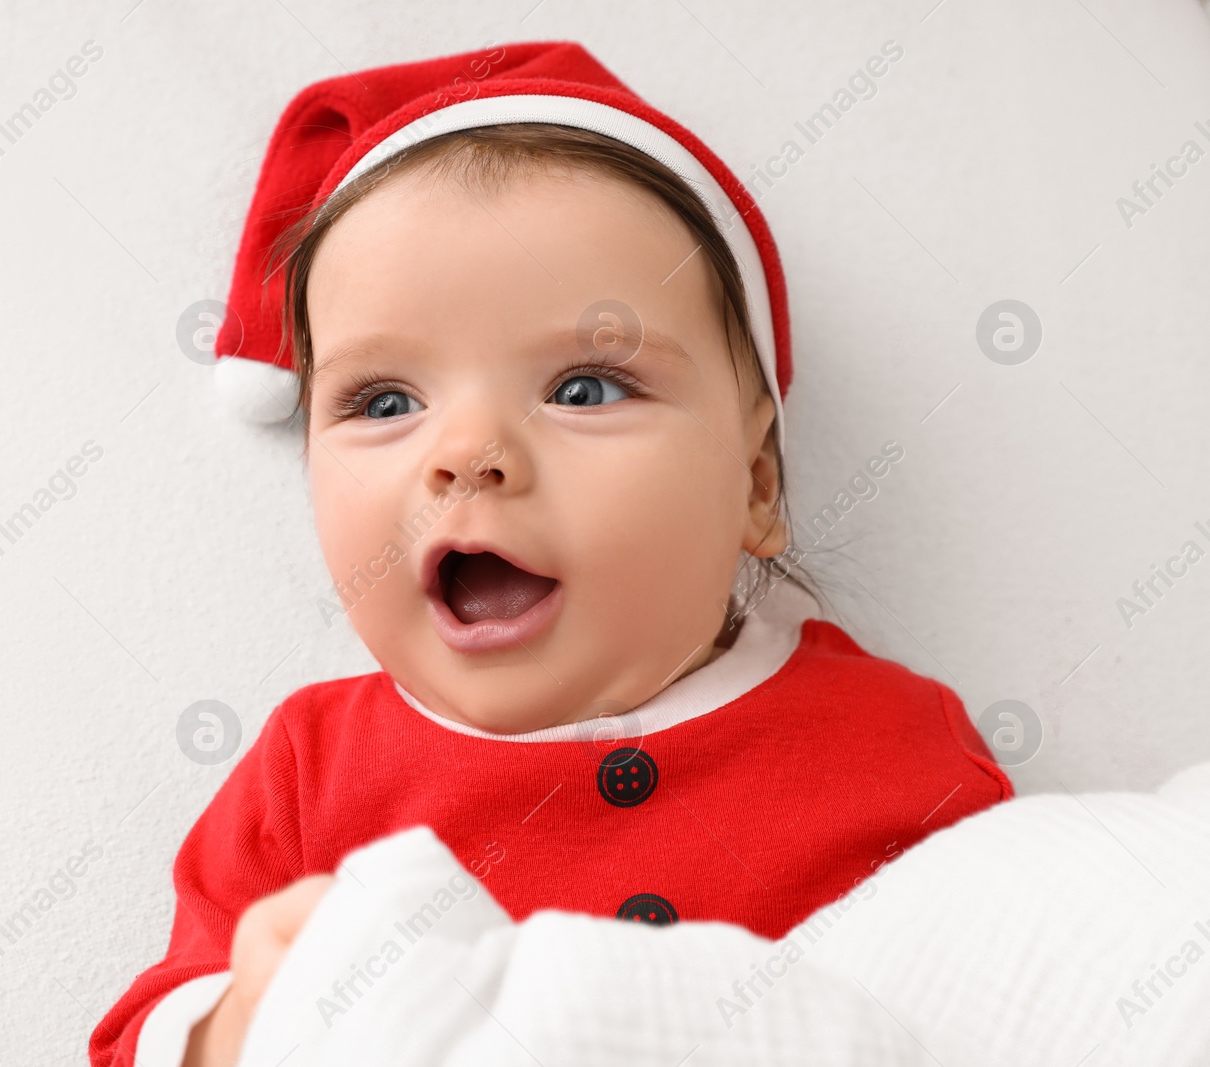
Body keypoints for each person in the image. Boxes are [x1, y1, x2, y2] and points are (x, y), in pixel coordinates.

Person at [90, 40, 1013, 1067]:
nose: (469, 455)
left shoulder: (894, 746)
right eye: (384, 402)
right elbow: (142, 1033)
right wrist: (233, 1026)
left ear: (754, 480)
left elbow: (1036, 998)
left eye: (583, 388)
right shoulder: (310, 774)